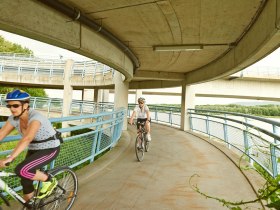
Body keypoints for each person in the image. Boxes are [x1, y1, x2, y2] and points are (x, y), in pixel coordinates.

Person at [0, 89, 61, 202]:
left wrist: (10, 158)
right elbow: (1, 134)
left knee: (21, 170)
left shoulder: (36, 117)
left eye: (15, 105)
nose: (12, 109)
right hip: (34, 148)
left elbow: (27, 138)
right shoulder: (13, 119)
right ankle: (31, 205)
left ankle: (49, 180)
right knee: (25, 178)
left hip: (50, 148)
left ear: (26, 105)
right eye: (9, 106)